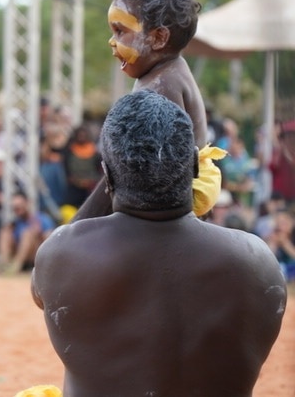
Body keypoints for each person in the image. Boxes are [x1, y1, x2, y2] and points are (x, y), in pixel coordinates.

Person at [30, 91, 286, 397]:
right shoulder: (256, 261)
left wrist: (113, 175)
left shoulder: (62, 254)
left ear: (106, 177)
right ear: (195, 166)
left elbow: (38, 289)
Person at [73, 0, 224, 222]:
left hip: (169, 207)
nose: (111, 42)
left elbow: (130, 175)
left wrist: (76, 228)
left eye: (120, 31)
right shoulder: (170, 70)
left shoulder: (160, 86)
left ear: (158, 38)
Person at [0, 191, 55, 274]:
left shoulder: (42, 219)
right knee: (5, 232)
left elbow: (50, 242)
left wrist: (39, 233)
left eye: (20, 207)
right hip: (18, 254)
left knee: (27, 233)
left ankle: (15, 267)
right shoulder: (15, 223)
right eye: (15, 208)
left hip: (36, 256)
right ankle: (4, 264)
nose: (18, 210)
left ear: (27, 204)